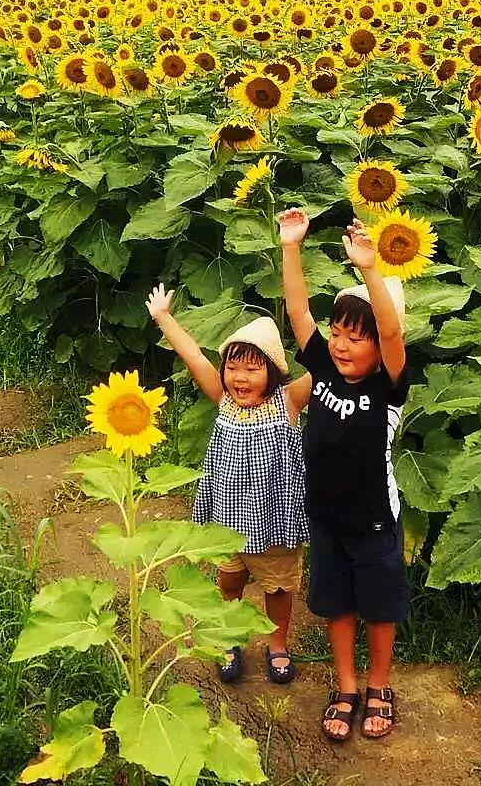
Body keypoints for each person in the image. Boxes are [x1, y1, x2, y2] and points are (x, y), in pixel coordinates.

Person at [278, 207, 411, 742]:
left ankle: (380, 684)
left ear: (379, 349)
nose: (340, 343)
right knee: (335, 605)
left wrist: (371, 272)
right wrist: (292, 246)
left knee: (378, 609)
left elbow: (394, 330)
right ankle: (347, 685)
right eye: (337, 332)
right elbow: (296, 312)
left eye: (356, 337)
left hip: (375, 521)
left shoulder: (389, 386)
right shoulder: (326, 369)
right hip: (327, 518)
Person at [146, 286, 311, 684]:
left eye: (253, 368)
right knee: (230, 580)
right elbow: (193, 356)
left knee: (277, 587)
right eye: (233, 367)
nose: (240, 377)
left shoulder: (288, 400)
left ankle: (277, 644)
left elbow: (324, 367)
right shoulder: (222, 397)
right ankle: (227, 637)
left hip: (276, 521)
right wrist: (164, 318)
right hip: (229, 521)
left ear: (273, 372)